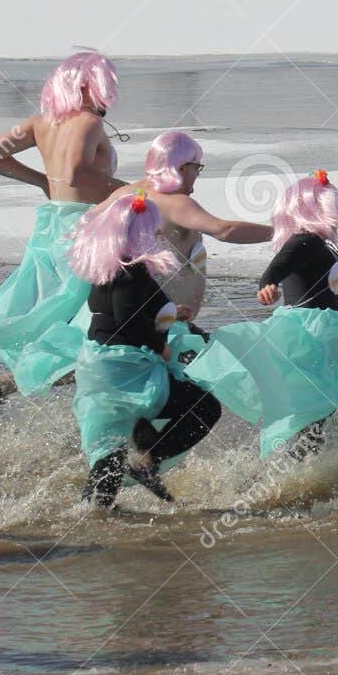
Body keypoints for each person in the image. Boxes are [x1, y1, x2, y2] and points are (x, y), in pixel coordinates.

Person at [0, 51, 127, 417]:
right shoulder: (88, 123)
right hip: (86, 230)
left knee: (66, 322)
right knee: (98, 332)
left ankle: (0, 386)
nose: (107, 96)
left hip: (53, 226)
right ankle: (9, 388)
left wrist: (43, 182)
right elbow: (79, 173)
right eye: (103, 86)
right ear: (85, 85)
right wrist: (134, 191)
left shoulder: (40, 123)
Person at [186, 171, 338, 459]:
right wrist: (268, 287)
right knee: (326, 406)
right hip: (311, 336)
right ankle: (311, 472)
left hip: (329, 337)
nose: (337, 214)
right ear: (316, 209)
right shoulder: (302, 242)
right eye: (332, 207)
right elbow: (274, 270)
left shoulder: (322, 244)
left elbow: (322, 279)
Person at [68, 190, 222, 508]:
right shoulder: (133, 273)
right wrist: (160, 347)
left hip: (103, 367)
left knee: (109, 457)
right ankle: (148, 463)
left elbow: (123, 314)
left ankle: (88, 525)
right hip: (128, 370)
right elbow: (129, 322)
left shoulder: (109, 270)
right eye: (154, 227)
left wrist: (170, 314)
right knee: (205, 408)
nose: (160, 233)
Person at [100, 131, 274, 359]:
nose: (197, 174)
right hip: (164, 333)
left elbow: (84, 226)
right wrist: (281, 232)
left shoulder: (125, 194)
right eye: (197, 167)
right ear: (182, 167)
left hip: (146, 323)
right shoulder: (176, 203)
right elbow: (224, 230)